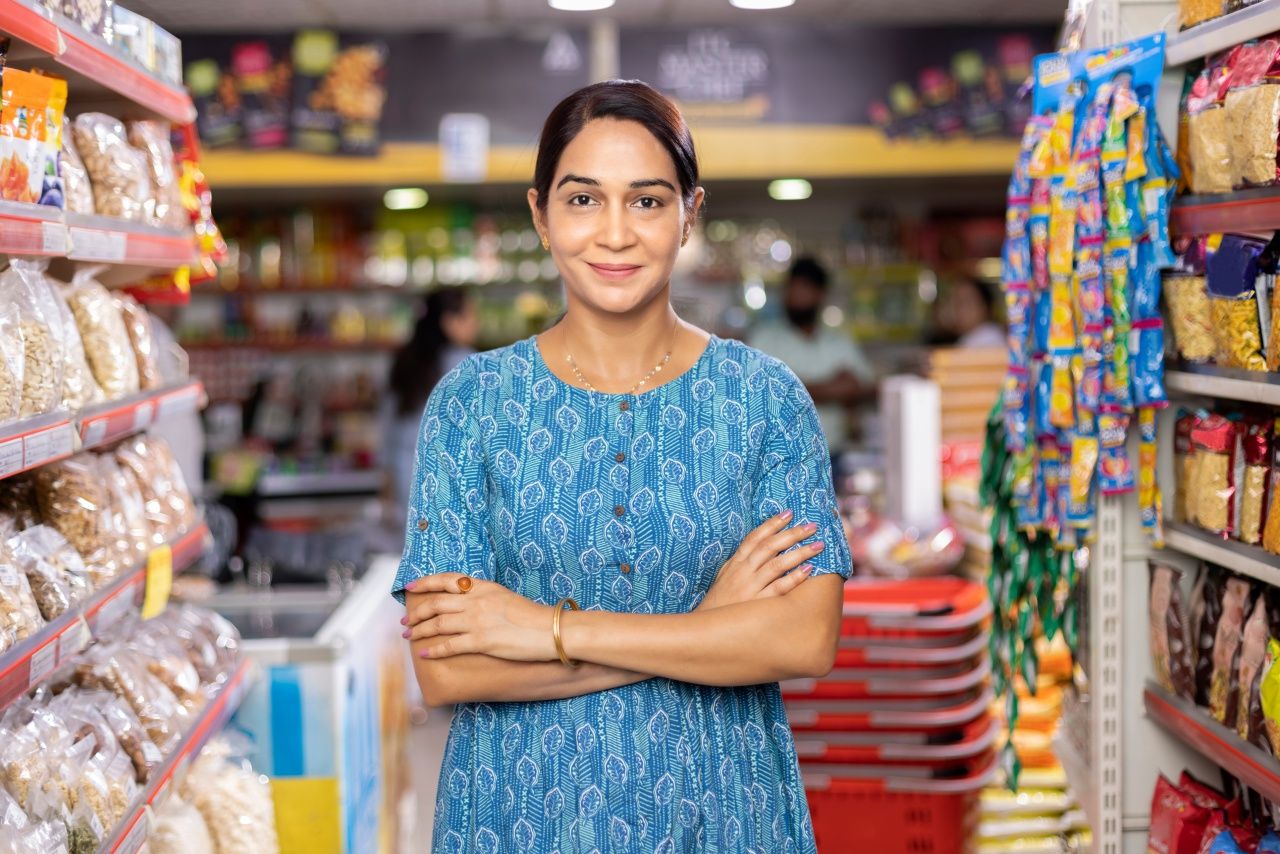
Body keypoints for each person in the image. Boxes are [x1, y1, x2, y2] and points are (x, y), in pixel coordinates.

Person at [394, 80, 851, 853]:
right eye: (582, 200)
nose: (615, 233)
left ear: (689, 215)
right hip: (521, 816)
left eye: (646, 201)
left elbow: (805, 638)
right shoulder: (470, 404)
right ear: (541, 215)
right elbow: (448, 669)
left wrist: (545, 629)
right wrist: (708, 632)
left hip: (725, 813)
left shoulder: (765, 400)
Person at [749, 257, 875, 452]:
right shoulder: (764, 338)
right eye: (792, 288)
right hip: (781, 458)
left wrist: (800, 388)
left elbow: (866, 387)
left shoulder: (839, 341)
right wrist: (834, 389)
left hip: (834, 454)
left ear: (820, 295)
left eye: (804, 289)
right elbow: (765, 393)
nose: (796, 296)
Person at [384, 287, 477, 523]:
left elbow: (386, 427)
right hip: (450, 478)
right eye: (470, 315)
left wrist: (386, 481)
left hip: (405, 473)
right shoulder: (466, 363)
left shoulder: (405, 361)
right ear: (449, 322)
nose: (476, 323)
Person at [946, 276, 1005, 348]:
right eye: (955, 303)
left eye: (965, 302)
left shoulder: (990, 338)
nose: (957, 309)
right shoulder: (969, 338)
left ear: (984, 306)